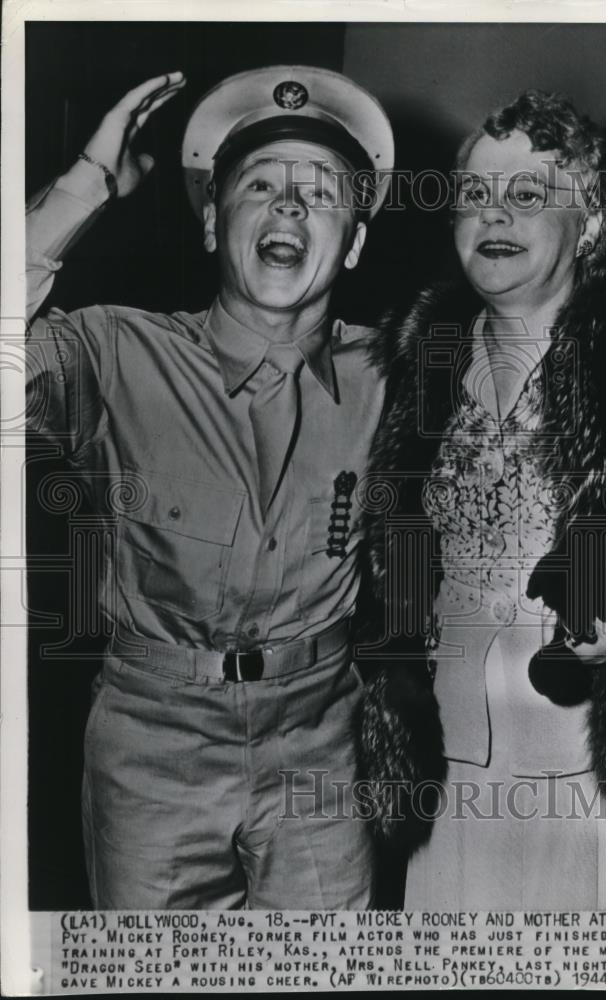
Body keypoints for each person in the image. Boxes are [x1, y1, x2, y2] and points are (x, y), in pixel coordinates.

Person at [25, 65, 394, 909]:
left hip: (323, 743)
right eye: (260, 185)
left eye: (322, 192)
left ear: (356, 242)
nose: (290, 208)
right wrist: (84, 188)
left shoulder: (397, 370)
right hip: (152, 741)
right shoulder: (114, 351)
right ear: (210, 223)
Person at [354, 90, 606, 909]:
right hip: (448, 761)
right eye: (474, 198)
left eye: (527, 197)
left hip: (603, 764)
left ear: (590, 225)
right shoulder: (412, 358)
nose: (494, 217)